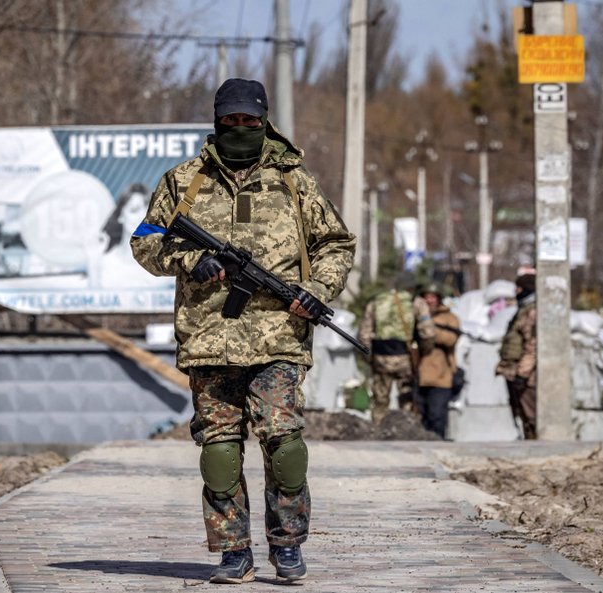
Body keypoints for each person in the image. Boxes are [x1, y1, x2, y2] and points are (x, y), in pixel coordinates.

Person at [130, 78, 355, 584]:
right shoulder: (182, 181)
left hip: (280, 337)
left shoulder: (294, 181)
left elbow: (337, 244)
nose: (238, 129)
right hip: (209, 339)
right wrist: (192, 260)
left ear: (263, 121)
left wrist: (317, 289)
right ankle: (234, 552)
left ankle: (288, 544)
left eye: (247, 121)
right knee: (220, 452)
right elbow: (144, 241)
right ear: (216, 121)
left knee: (285, 446)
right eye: (229, 121)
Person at [357, 271, 435, 424]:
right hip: (405, 358)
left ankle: (378, 429)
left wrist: (368, 358)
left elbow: (364, 335)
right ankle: (404, 429)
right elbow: (428, 332)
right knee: (407, 399)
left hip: (380, 358)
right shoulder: (416, 302)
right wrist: (424, 352)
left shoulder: (377, 301)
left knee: (380, 401)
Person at [495, 272, 537, 439]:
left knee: (530, 415)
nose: (516, 291)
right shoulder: (522, 310)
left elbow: (532, 346)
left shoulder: (531, 312)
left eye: (519, 288)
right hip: (513, 371)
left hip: (525, 375)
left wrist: (523, 373)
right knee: (520, 414)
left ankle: (536, 446)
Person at [416, 282, 460, 438]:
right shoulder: (415, 316)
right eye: (426, 297)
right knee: (419, 417)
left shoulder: (449, 317)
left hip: (440, 376)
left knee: (437, 416)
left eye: (432, 297)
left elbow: (451, 339)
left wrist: (429, 330)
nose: (429, 301)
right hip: (418, 375)